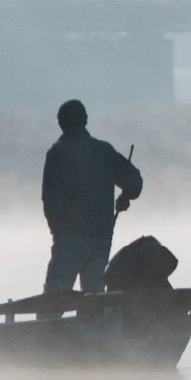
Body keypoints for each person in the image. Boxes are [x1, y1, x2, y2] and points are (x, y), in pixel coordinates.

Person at [41, 98, 142, 295]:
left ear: (60, 123)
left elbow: (50, 200)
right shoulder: (104, 151)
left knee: (53, 301)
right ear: (85, 120)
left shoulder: (57, 154)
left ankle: (46, 327)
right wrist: (125, 196)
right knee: (95, 300)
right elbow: (135, 183)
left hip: (69, 239)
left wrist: (58, 231)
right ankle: (96, 326)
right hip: (101, 238)